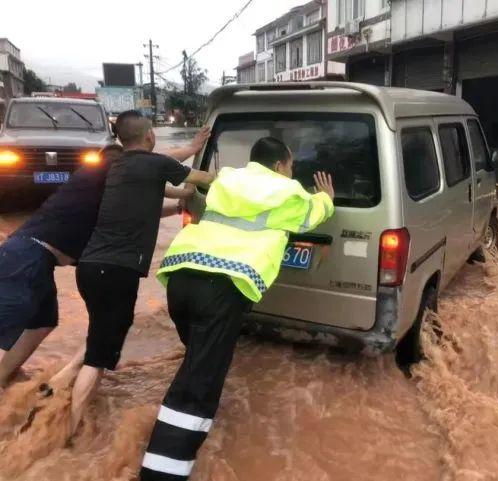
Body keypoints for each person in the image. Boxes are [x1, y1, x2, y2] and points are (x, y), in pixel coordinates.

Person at [139, 137, 335, 481]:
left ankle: (184, 432)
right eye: (290, 166)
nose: (291, 172)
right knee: (198, 384)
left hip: (181, 277)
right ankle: (162, 472)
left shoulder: (227, 178)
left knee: (197, 360)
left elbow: (201, 188)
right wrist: (327, 198)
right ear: (279, 165)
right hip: (222, 286)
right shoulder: (288, 191)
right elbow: (312, 216)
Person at [0, 123, 210, 390]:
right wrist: (191, 152)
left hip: (34, 257)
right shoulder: (119, 165)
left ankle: (7, 388)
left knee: (43, 324)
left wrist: (178, 204)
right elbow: (158, 163)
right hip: (26, 258)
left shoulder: (107, 184)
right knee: (6, 330)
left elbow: (142, 206)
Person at [66, 110, 215, 435]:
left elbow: (153, 201)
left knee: (98, 339)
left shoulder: (120, 166)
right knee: (98, 358)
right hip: (117, 272)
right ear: (150, 136)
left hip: (90, 268)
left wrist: (180, 201)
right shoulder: (154, 164)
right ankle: (71, 431)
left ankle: (57, 387)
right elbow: (204, 180)